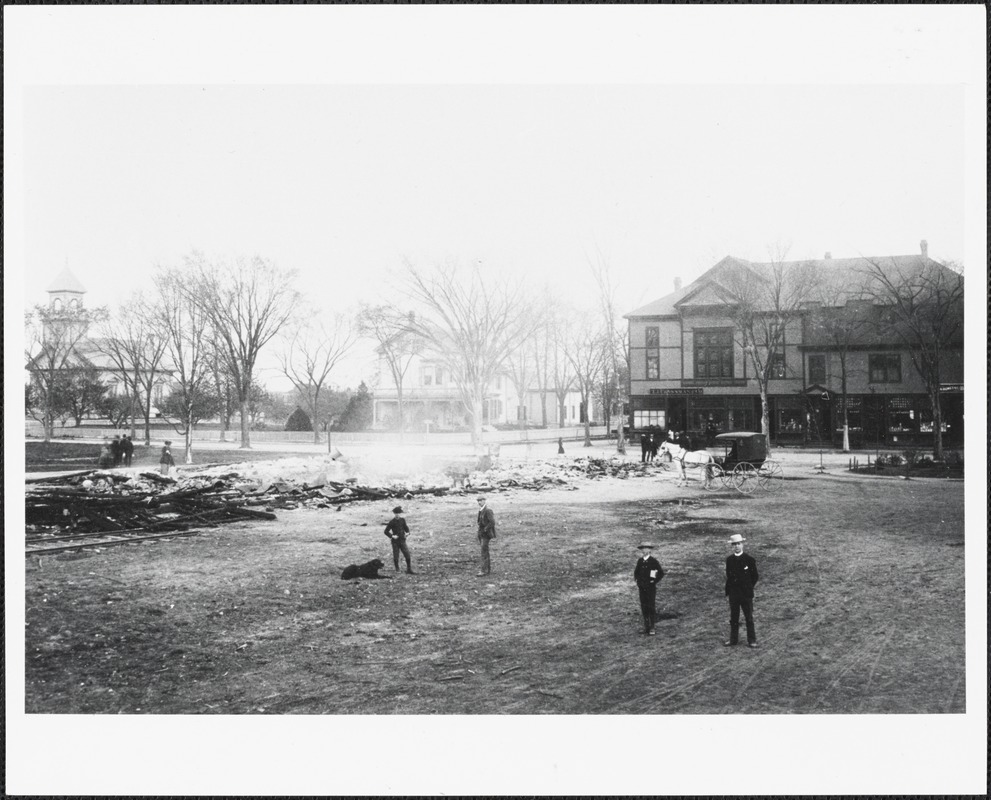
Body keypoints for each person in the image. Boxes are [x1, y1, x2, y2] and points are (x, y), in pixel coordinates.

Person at [724, 533, 759, 648]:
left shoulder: (749, 560)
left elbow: (755, 576)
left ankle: (752, 640)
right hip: (734, 594)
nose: (736, 546)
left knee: (748, 617)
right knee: (734, 618)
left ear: (742, 544)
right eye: (734, 545)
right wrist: (730, 591)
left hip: (746, 594)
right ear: (732, 546)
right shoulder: (729, 560)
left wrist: (748, 587)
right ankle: (733, 640)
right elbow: (729, 576)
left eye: (738, 544)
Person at [634, 542, 665, 635]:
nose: (644, 550)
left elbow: (660, 573)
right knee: (644, 607)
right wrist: (638, 581)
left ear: (650, 550)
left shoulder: (653, 561)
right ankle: (646, 627)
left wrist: (653, 581)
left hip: (650, 588)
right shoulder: (640, 561)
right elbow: (636, 573)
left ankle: (652, 628)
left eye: (646, 548)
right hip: (642, 588)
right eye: (643, 549)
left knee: (651, 606)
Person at [384, 505, 414, 574]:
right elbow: (386, 531)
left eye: (399, 513)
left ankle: (409, 569)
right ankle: (397, 569)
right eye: (396, 513)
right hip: (395, 541)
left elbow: (406, 528)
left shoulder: (402, 520)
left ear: (400, 514)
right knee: (396, 555)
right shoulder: (392, 522)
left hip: (402, 540)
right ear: (394, 514)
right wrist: (392, 536)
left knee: (407, 554)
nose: (397, 515)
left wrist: (408, 533)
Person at [476, 495, 497, 577]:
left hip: (485, 535)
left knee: (484, 552)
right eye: (478, 501)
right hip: (481, 534)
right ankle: (486, 569)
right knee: (484, 551)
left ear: (484, 501)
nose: (479, 502)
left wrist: (485, 529)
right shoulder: (481, 510)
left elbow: (492, 522)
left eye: (480, 500)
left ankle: (484, 570)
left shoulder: (488, 510)